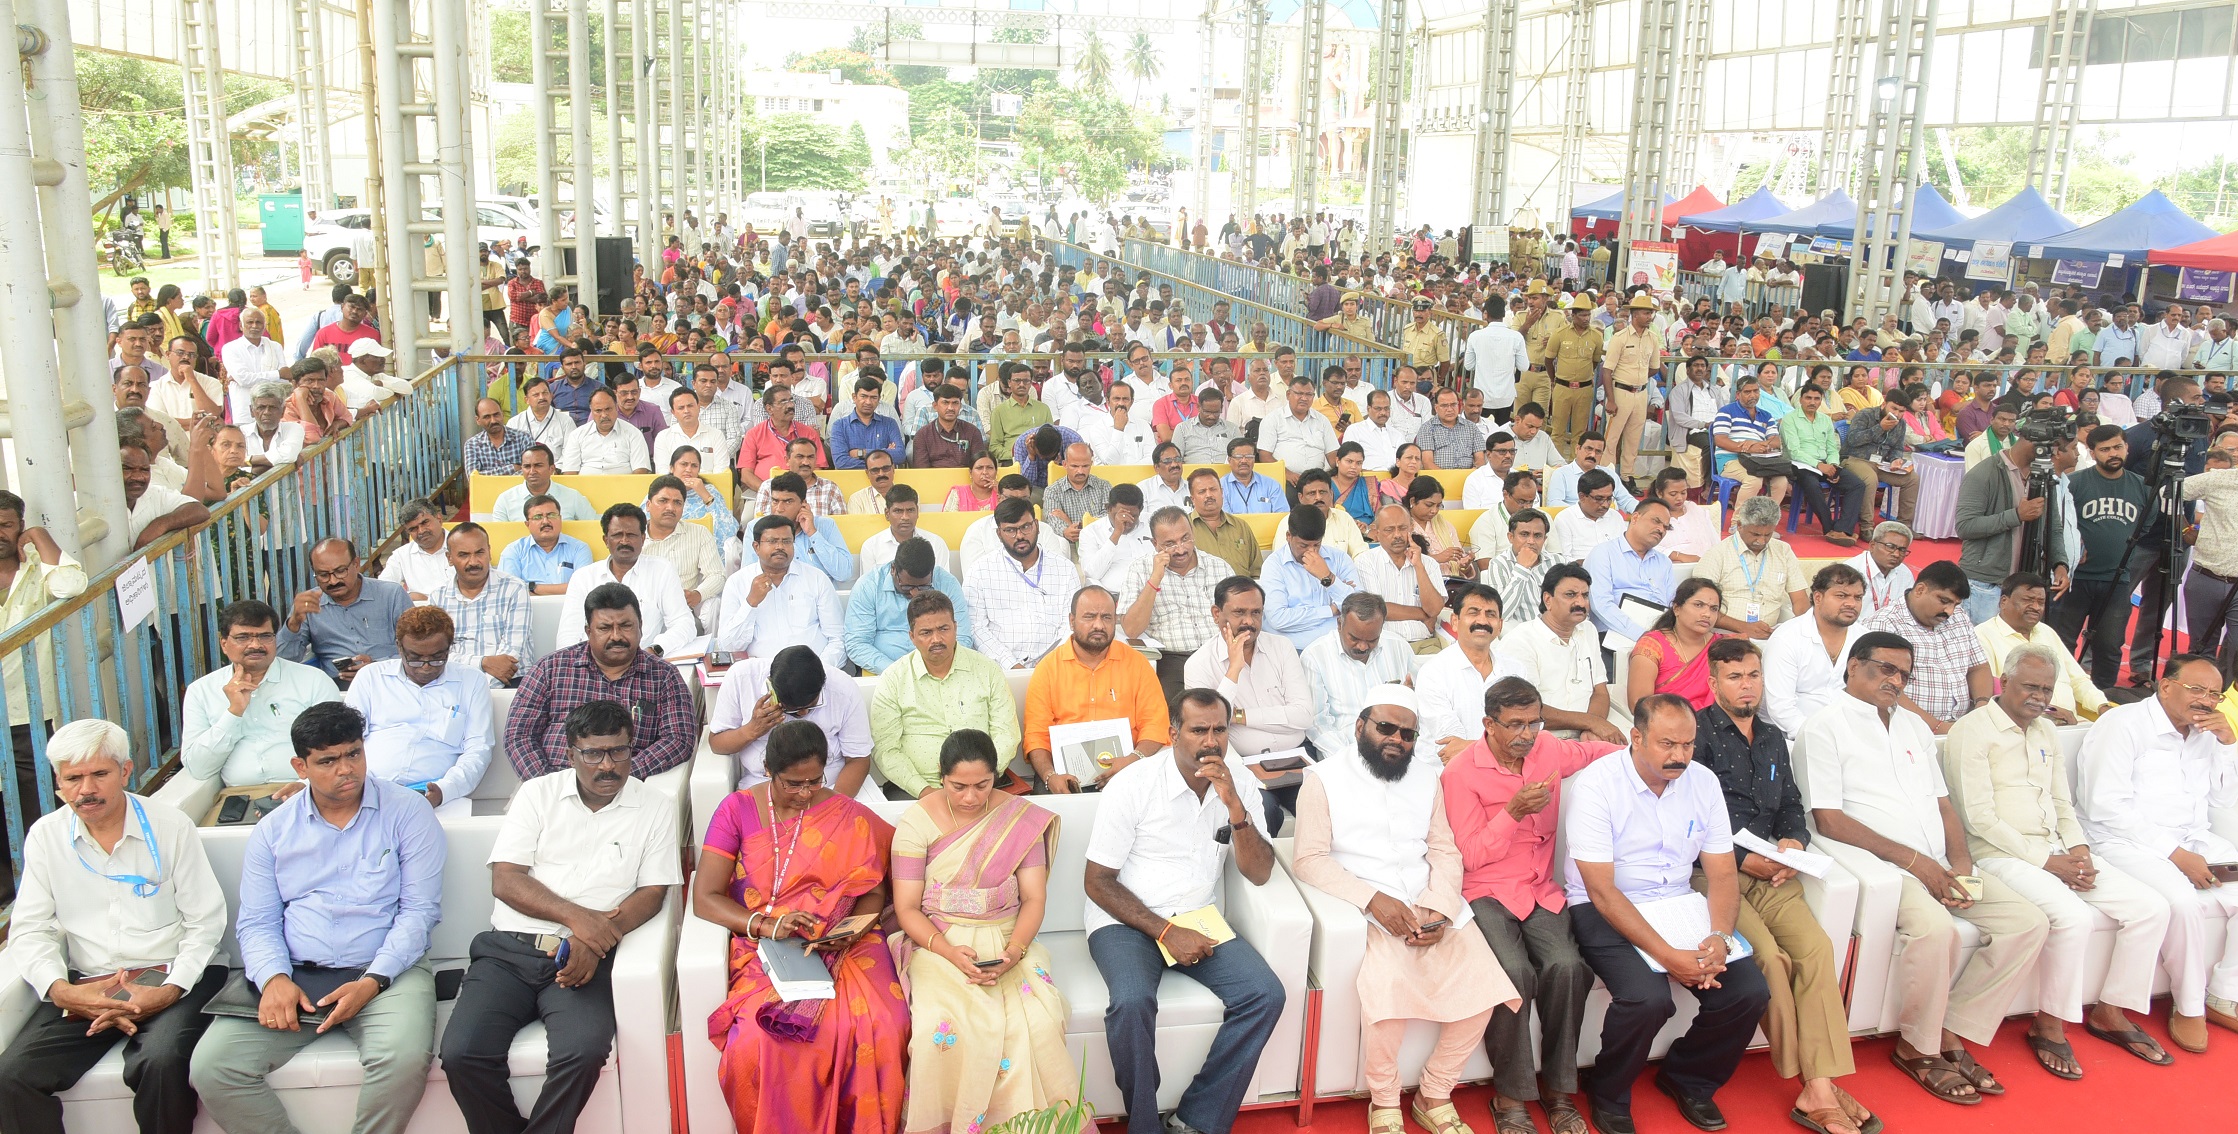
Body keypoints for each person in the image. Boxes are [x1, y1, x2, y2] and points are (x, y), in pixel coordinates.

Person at [1798, 632, 2049, 1105]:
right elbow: (1828, 820)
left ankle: (1951, 1029)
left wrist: (1961, 866)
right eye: (1885, 669)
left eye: (1904, 675)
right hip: (1888, 867)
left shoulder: (1912, 725)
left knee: (2028, 923)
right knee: (1937, 930)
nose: (1896, 681)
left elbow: (1944, 804)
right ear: (1853, 666)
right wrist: (1918, 864)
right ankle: (1917, 1046)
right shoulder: (1823, 728)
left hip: (1940, 862)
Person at [188, 702, 445, 1134]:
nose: (346, 769)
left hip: (387, 972)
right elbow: (257, 922)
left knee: (402, 1059)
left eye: (354, 753)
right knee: (213, 1067)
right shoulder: (274, 830)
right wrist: (273, 979)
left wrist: (373, 980)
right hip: (298, 975)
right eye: (328, 760)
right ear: (300, 766)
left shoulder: (408, 812)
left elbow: (419, 912)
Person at [1290, 684, 1521, 1134]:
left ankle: (1435, 1093)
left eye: (1408, 734)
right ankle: (1384, 1101)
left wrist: (1441, 906)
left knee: (1485, 988)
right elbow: (1309, 859)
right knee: (1388, 999)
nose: (1397, 739)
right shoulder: (1322, 779)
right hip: (1369, 905)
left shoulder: (1427, 778)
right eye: (1386, 728)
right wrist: (1372, 900)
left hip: (1429, 900)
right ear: (1360, 726)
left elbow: (1444, 849)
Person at [440, 700, 679, 1134]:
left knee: (583, 1052)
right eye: (593, 753)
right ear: (571, 753)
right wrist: (579, 919)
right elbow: (506, 881)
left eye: (619, 751)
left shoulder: (655, 806)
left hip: (587, 961)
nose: (608, 765)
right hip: (510, 952)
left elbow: (652, 893)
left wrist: (591, 939)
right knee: (462, 1054)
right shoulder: (537, 794)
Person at [1940, 645, 2176, 1077]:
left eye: (2046, 689)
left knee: (2151, 908)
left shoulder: (2045, 731)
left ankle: (2111, 1010)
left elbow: (2062, 802)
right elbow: (1978, 819)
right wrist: (2048, 861)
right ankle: (2049, 1024)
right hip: (1998, 855)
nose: (2038, 696)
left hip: (2057, 849)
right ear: (2004, 682)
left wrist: (2079, 849)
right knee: (2073, 917)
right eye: (2030, 686)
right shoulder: (1972, 731)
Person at [0, 719, 228, 1134]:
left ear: (125, 771)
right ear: (58, 782)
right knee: (12, 1076)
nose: (86, 789)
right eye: (73, 778)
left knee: (161, 1061)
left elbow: (205, 922)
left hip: (172, 976)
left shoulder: (169, 826)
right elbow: (30, 929)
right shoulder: (46, 836)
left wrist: (170, 989)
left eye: (99, 774)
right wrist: (61, 990)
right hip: (90, 985)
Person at [1564, 694, 1772, 1134]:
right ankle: (1608, 1091)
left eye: (1688, 744)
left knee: (1748, 991)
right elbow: (1601, 890)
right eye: (1667, 744)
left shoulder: (1703, 782)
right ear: (1636, 737)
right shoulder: (1597, 784)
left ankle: (1688, 1078)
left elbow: (1722, 874)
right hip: (1605, 905)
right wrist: (1667, 956)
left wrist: (1720, 937)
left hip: (1678, 901)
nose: (1680, 755)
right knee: (1647, 998)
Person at [1691, 641, 1876, 1134]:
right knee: (1770, 959)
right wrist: (1742, 859)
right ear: (1713, 683)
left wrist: (1794, 840)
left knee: (1816, 949)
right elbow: (1686, 819)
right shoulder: (1697, 735)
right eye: (1734, 677)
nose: (1747, 685)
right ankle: (1816, 1087)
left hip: (1771, 869)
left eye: (1753, 675)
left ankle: (1819, 1085)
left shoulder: (1773, 737)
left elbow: (1792, 803)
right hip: (1715, 873)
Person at [690, 720, 907, 1132]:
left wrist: (852, 929)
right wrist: (768, 925)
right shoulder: (736, 810)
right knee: (756, 1041)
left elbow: (874, 888)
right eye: (793, 783)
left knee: (885, 1024)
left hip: (845, 942)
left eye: (814, 781)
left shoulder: (846, 814)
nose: (806, 793)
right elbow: (705, 898)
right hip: (768, 944)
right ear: (768, 769)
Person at [1083, 689, 1283, 1134]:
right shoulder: (1133, 785)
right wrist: (1166, 932)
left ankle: (1196, 1119)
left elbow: (1259, 873)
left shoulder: (1239, 782)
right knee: (1131, 1002)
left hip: (1196, 915)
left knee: (1265, 994)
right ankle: (1143, 1125)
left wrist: (1235, 808)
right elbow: (1097, 882)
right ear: (1173, 734)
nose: (1211, 741)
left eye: (1219, 730)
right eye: (1198, 730)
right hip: (1125, 920)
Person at [1439, 677, 1615, 1134]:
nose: (1527, 734)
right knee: (1513, 974)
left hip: (1540, 888)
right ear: (1488, 724)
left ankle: (1559, 1089)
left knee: (1568, 967)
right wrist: (1512, 812)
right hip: (1485, 890)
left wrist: (1640, 752)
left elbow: (1593, 754)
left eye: (1534, 722)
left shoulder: (1548, 749)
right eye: (1515, 724)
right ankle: (1510, 1094)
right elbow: (1469, 856)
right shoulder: (1460, 773)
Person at [888, 729, 1077, 1132]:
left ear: (997, 776)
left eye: (983, 785)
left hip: (1008, 939)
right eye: (958, 787)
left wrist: (1014, 952)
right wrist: (948, 952)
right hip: (937, 944)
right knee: (935, 1027)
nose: (971, 798)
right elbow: (906, 908)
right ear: (941, 776)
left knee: (1040, 1022)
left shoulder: (1019, 819)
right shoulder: (916, 821)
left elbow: (1034, 899)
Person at [2070, 653, 2238, 1054]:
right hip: (2120, 840)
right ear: (2165, 686)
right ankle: (2190, 1005)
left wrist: (2228, 744)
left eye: (2214, 694)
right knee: (2181, 901)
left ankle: (2223, 994)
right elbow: (2104, 805)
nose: (2206, 701)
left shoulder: (2206, 733)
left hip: (2193, 837)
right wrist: (2175, 855)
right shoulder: (2123, 724)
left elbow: (2223, 799)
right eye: (2196, 689)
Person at [505, 583, 699, 778]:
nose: (616, 636)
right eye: (605, 628)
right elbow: (518, 735)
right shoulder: (550, 669)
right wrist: (546, 784)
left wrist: (618, 776)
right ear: (588, 631)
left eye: (626, 626)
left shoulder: (664, 676)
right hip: (553, 783)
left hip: (628, 785)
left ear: (640, 626)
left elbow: (678, 740)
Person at [868, 591, 1022, 800]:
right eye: (926, 632)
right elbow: (886, 750)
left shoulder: (987, 671)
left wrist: (981, 781)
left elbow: (1007, 735)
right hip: (917, 791)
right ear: (912, 636)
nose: (937, 639)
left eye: (943, 629)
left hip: (984, 786)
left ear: (955, 628)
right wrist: (924, 791)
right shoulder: (894, 679)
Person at [1185, 577, 1312, 829]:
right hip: (1243, 765)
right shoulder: (1199, 665)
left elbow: (1304, 715)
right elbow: (1211, 724)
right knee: (1262, 812)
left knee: (1323, 807)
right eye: (1239, 613)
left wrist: (1240, 717)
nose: (1249, 622)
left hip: (1296, 758)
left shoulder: (1281, 647)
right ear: (1217, 614)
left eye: (1256, 613)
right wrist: (1234, 669)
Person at [342, 606, 491, 816]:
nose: (426, 667)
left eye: (437, 657)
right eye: (415, 658)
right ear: (399, 647)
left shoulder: (471, 680)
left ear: (449, 648)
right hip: (369, 791)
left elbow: (479, 748)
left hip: (439, 795)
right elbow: (346, 740)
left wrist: (444, 790)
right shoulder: (371, 677)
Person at [1023, 587, 1168, 794]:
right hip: (1062, 775)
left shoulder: (1137, 664)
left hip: (1129, 768)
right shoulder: (1048, 668)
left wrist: (1133, 760)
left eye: (1106, 617)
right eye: (1089, 617)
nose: (1099, 625)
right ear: (1071, 621)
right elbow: (1036, 735)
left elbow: (1156, 725)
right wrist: (1050, 776)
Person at [2055, 424, 2151, 685]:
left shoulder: (2142, 486)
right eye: (2105, 449)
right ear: (2092, 452)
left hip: (2117, 579)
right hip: (2075, 578)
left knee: (2109, 645)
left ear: (2127, 447)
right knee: (2062, 643)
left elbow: (2146, 524)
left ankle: (2104, 697)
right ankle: (2058, 694)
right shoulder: (2074, 483)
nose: (2113, 454)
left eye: (2118, 447)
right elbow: (2059, 524)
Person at [1856, 560, 1993, 734]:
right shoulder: (1885, 624)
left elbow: (1978, 667)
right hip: (1906, 730)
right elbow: (1883, 686)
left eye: (1955, 604)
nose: (1949, 611)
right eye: (1944, 601)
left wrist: (1982, 708)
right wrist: (1938, 727)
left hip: (1962, 727)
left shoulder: (1959, 617)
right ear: (1920, 590)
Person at [1501, 562, 1626, 738]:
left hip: (1586, 735)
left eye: (1585, 595)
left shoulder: (1588, 630)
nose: (1581, 603)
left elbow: (1600, 691)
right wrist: (1591, 723)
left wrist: (1590, 729)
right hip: (1539, 739)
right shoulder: (1521, 641)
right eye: (1570, 595)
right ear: (1548, 600)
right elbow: (1525, 710)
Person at [554, 504, 697, 657]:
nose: (624, 541)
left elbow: (684, 623)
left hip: (643, 660)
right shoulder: (583, 577)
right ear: (606, 540)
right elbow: (568, 635)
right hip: (592, 663)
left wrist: (654, 650)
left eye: (631, 535)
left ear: (643, 539)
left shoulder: (661, 570)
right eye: (617, 535)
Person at [965, 497, 1082, 671]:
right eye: (1010, 530)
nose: (1019, 536)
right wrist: (1011, 664)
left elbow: (1072, 623)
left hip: (1056, 667)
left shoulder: (1065, 568)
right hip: (1000, 670)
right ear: (999, 534)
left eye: (1026, 527)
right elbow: (976, 628)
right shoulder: (980, 571)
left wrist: (1051, 662)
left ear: (1037, 525)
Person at [1976, 572, 2110, 722]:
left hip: (2072, 723)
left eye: (2041, 602)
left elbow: (2078, 680)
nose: (2036, 607)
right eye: (2028, 600)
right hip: (2022, 725)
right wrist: (2050, 711)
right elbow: (1994, 693)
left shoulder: (2047, 632)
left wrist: (2102, 706)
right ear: (2003, 602)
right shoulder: (1982, 636)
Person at [715, 516, 846, 667]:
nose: (780, 547)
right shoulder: (737, 583)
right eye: (772, 541)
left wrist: (820, 670)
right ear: (756, 547)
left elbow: (837, 638)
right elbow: (729, 647)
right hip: (760, 672)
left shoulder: (816, 578)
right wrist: (751, 603)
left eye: (786, 541)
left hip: (813, 672)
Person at [278, 537, 413, 685]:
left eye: (340, 571)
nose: (333, 581)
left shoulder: (391, 595)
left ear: (356, 564)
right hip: (337, 686)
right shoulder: (309, 604)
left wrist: (376, 666)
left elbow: (419, 647)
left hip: (392, 679)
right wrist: (294, 623)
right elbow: (282, 662)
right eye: (323, 575)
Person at [1418, 584, 1527, 759]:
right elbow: (1452, 742)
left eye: (1490, 614)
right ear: (1455, 621)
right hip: (1446, 771)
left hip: (1504, 767)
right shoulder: (1434, 672)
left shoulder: (1515, 670)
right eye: (1473, 612)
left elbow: (1525, 729)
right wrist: (1505, 748)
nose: (1482, 621)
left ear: (1500, 625)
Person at [1762, 565, 1867, 735]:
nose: (1851, 604)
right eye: (1841, 596)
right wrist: (1820, 738)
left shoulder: (1865, 639)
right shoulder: (1787, 638)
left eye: (1858, 597)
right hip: (1791, 735)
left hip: (1849, 733)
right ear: (1818, 598)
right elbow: (1781, 709)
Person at [430, 523, 535, 688]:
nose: (473, 562)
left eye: (479, 552)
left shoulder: (514, 589)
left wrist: (479, 689)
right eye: (464, 555)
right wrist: (482, 663)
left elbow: (511, 655)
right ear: (449, 558)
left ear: (489, 552)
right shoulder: (438, 598)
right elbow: (437, 653)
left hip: (510, 680)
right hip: (455, 680)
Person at [846, 536, 971, 675]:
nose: (914, 593)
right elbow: (857, 644)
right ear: (893, 569)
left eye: (923, 587)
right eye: (907, 586)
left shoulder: (948, 584)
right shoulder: (868, 586)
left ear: (932, 573)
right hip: (884, 672)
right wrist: (897, 672)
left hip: (940, 668)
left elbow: (962, 638)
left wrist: (935, 668)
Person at [1693, 496, 1812, 639]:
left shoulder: (1783, 551)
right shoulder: (1717, 554)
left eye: (1768, 534)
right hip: (1726, 636)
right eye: (1755, 534)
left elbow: (1799, 599)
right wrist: (1743, 627)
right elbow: (1699, 607)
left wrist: (1803, 630)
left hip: (1771, 636)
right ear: (1739, 525)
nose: (1761, 541)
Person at [1355, 503, 1448, 652]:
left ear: (1411, 528)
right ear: (1377, 533)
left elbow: (1434, 609)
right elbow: (1376, 609)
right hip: (1383, 645)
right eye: (1389, 530)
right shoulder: (1365, 561)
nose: (1397, 535)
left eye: (1403, 528)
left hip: (1423, 642)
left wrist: (1419, 566)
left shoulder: (1428, 563)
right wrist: (1423, 614)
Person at [1626, 577, 1725, 712]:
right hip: (1669, 722)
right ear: (1677, 608)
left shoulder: (1722, 646)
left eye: (1714, 609)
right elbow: (1639, 705)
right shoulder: (1652, 646)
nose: (1707, 614)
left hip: (1717, 721)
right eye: (1698, 605)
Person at [1583, 499, 1675, 644]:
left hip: (1659, 638)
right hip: (1614, 635)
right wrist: (1643, 635)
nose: (1661, 530)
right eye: (1656, 521)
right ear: (1635, 517)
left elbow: (1672, 605)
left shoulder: (1664, 562)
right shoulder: (1603, 553)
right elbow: (1601, 605)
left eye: (1666, 527)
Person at [1715, 371, 1790, 508]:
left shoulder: (1766, 415)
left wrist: (1756, 444)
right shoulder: (1726, 411)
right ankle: (1739, 520)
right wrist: (1747, 448)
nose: (1753, 395)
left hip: (1759, 461)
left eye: (1756, 391)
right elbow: (1720, 440)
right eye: (1747, 392)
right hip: (1730, 459)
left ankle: (1766, 517)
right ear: (1738, 395)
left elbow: (1775, 441)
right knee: (1754, 480)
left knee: (1781, 481)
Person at [497, 495, 595, 595]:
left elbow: (583, 587)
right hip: (527, 605)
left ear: (560, 519)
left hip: (568, 604)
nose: (545, 521)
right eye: (538, 517)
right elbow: (509, 590)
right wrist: (566, 588)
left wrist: (532, 588)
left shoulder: (579, 548)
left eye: (551, 515)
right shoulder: (513, 550)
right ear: (527, 524)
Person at [491, 444, 597, 522]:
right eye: (527, 466)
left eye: (538, 465)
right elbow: (499, 536)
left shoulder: (573, 497)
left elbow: (595, 527)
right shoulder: (505, 500)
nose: (532, 471)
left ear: (552, 469)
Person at [1549, 468, 1626, 564]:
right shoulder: (1565, 519)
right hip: (1580, 571)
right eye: (1599, 499)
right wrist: (1594, 564)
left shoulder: (1615, 516)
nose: (1605, 505)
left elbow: (1625, 550)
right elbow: (1562, 560)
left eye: (1609, 498)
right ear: (1582, 497)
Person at [1847, 521, 1915, 619]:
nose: (1896, 554)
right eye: (1890, 547)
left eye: (1902, 550)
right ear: (1872, 546)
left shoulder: (1905, 574)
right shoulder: (1851, 570)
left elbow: (1908, 610)